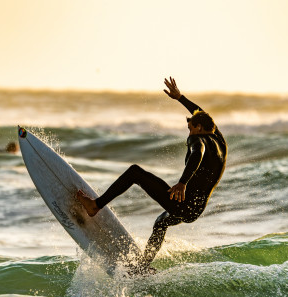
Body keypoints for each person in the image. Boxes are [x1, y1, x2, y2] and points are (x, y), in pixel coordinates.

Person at [77, 77, 227, 271]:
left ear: (198, 128)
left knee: (135, 173)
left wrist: (182, 183)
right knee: (160, 223)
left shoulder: (198, 140)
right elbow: (200, 113)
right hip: (195, 210)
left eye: (190, 128)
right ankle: (143, 266)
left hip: (183, 203)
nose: (189, 133)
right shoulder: (219, 140)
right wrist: (180, 97)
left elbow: (197, 154)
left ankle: (95, 205)